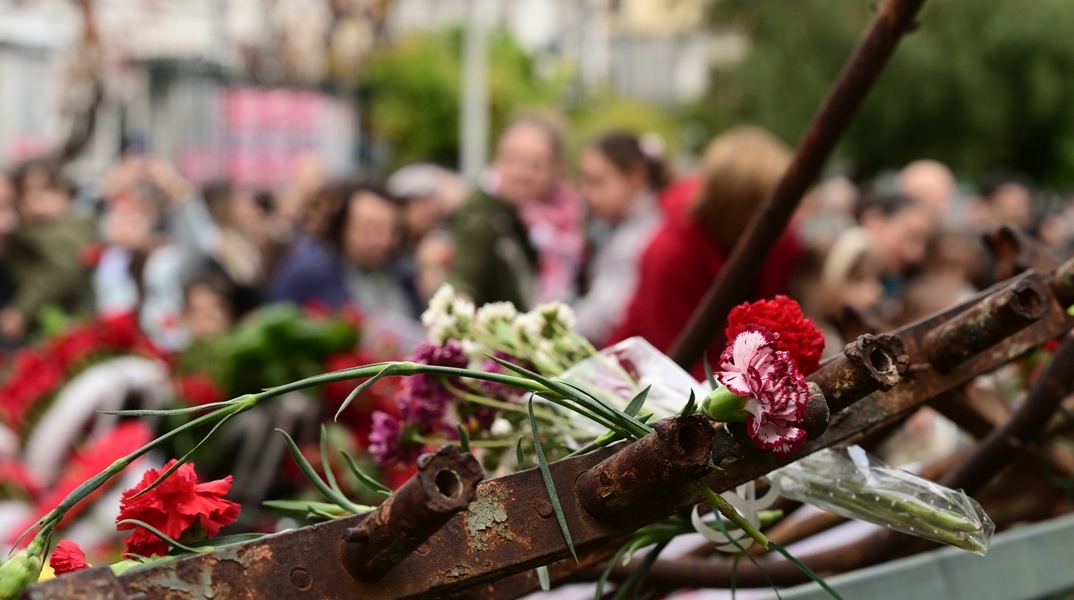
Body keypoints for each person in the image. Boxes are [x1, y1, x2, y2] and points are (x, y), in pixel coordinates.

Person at [606, 126, 802, 376]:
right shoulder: (670, 254)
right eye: (764, 206)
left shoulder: (779, 242)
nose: (784, 219)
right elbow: (668, 356)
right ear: (733, 203)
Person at [448, 115, 584, 308]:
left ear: (557, 167)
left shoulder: (571, 217)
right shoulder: (484, 214)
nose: (522, 173)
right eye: (511, 160)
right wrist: (458, 305)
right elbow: (466, 275)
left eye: (536, 164)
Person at [268, 182, 422, 319]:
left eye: (392, 230)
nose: (384, 240)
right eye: (371, 228)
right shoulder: (306, 275)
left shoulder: (403, 273)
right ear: (342, 226)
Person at [573, 131, 668, 344]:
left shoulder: (640, 237)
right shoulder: (619, 226)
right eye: (584, 182)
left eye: (597, 182)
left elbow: (606, 314)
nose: (586, 193)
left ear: (636, 177)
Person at [1, 158, 97, 344]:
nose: (35, 199)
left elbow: (62, 269)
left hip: (65, 321)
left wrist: (22, 310)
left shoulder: (70, 229)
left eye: (46, 189)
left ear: (66, 194)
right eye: (25, 192)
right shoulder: (27, 230)